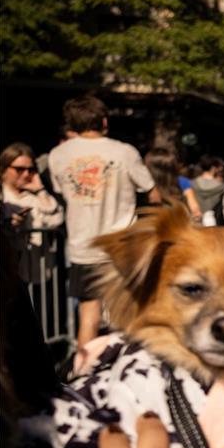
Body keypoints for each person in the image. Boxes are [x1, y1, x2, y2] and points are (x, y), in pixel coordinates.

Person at [48, 94, 159, 352]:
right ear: (104, 121)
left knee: (89, 315)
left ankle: (84, 375)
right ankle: (125, 371)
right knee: (126, 312)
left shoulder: (58, 155)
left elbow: (61, 192)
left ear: (71, 123)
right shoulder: (124, 152)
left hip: (81, 246)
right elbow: (152, 192)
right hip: (120, 247)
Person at [0, 143, 65, 283]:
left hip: (36, 274)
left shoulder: (34, 198)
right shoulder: (1, 198)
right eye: (19, 169)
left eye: (31, 170)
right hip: (7, 276)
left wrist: (40, 189)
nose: (26, 174)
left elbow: (57, 219)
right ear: (4, 169)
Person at [191, 154, 224, 226]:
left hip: (195, 221)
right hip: (214, 223)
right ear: (214, 168)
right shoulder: (222, 187)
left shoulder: (191, 184)